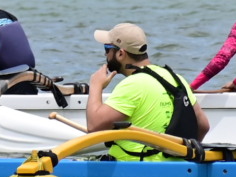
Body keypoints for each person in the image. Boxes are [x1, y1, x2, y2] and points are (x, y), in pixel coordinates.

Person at [85, 23, 210, 160]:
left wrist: (96, 85)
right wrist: (178, 155)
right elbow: (203, 126)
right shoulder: (176, 79)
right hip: (177, 167)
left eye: (107, 49)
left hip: (134, 170)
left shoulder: (133, 84)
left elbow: (94, 127)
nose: (106, 54)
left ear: (121, 53)